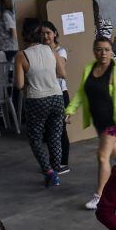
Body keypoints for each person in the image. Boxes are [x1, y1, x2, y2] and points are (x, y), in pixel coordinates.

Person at [67, 36, 116, 211]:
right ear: (94, 51)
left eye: (107, 49)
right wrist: (70, 110)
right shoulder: (89, 68)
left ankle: (99, 196)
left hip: (112, 121)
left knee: (102, 156)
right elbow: (80, 93)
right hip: (98, 122)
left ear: (111, 51)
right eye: (99, 49)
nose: (103, 53)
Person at [15, 19, 68, 187]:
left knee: (36, 138)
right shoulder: (51, 50)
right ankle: (56, 170)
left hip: (36, 99)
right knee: (55, 137)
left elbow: (19, 84)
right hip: (56, 97)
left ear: (24, 36)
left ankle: (49, 172)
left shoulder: (21, 55)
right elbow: (62, 73)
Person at [42, 20, 72, 176]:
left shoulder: (61, 51)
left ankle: (63, 163)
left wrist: (51, 50)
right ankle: (54, 162)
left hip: (60, 94)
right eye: (43, 33)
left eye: (48, 32)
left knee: (61, 130)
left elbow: (61, 72)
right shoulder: (39, 51)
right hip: (46, 94)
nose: (46, 35)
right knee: (50, 131)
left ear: (55, 34)